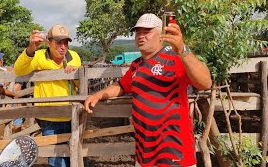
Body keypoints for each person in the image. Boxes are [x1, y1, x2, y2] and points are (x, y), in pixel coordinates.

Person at [84, 13, 212, 167]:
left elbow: (205, 83)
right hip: (145, 150)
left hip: (174, 147)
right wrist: (97, 95)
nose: (141, 36)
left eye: (147, 31)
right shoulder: (137, 65)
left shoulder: (176, 59)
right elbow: (122, 86)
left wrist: (183, 50)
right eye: (138, 32)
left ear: (161, 36)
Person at [14, 24, 81, 167]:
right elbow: (19, 70)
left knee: (75, 154)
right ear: (49, 43)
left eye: (65, 42)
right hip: (48, 117)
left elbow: (80, 85)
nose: (63, 46)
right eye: (58, 42)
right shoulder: (38, 56)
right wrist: (31, 48)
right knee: (57, 160)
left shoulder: (74, 57)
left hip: (72, 115)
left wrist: (75, 74)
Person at [0, 50, 23, 133]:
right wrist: (13, 94)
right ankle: (18, 135)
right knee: (17, 113)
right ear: (0, 60)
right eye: (2, 59)